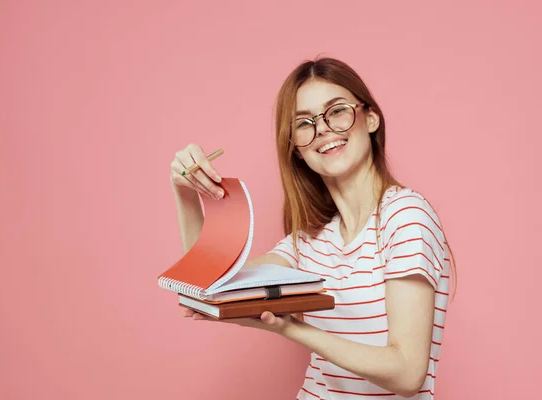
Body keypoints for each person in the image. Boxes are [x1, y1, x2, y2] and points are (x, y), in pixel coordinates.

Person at [169, 57, 455, 399]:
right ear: (298, 151)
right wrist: (186, 192)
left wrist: (292, 329)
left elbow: (407, 373)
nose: (323, 129)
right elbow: (208, 284)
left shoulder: (405, 216)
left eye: (336, 111)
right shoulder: (310, 240)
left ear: (372, 118)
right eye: (304, 123)